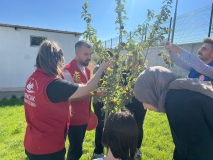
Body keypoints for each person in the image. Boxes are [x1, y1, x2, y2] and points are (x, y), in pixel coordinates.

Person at [24, 40, 110, 160]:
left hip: (32, 142)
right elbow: (88, 88)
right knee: (75, 151)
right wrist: (101, 69)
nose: (62, 63)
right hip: (48, 147)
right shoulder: (54, 84)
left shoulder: (32, 79)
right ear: (54, 60)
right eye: (61, 59)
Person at [134, 66, 213, 160]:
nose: (144, 106)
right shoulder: (178, 94)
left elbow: (195, 152)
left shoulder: (178, 104)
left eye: (144, 99)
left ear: (152, 90)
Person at [64, 40, 104, 160]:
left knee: (77, 149)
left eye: (90, 54)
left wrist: (89, 111)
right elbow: (71, 96)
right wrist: (94, 93)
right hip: (73, 119)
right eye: (86, 54)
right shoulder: (68, 70)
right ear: (76, 53)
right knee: (75, 152)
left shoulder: (86, 70)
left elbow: (87, 92)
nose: (89, 57)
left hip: (84, 117)